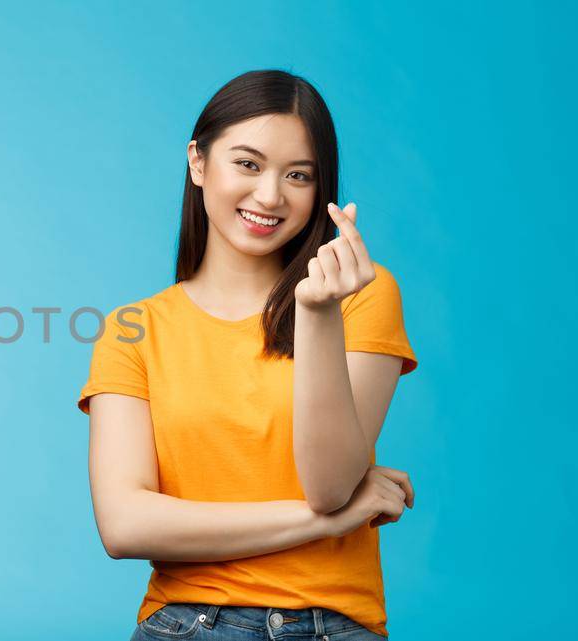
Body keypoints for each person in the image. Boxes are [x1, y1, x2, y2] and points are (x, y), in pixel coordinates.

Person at [78, 69, 419, 640]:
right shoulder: (132, 329)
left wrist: (314, 313)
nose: (270, 195)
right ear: (198, 162)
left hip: (330, 627)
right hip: (185, 623)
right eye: (248, 164)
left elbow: (331, 483)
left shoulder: (359, 293)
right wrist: (326, 520)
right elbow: (125, 525)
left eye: (298, 175)